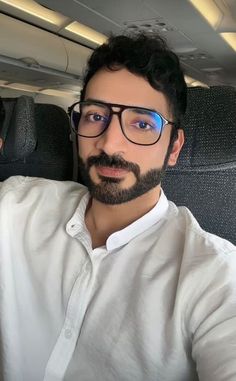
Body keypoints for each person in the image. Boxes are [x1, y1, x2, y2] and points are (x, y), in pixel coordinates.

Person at [0, 32, 236, 381]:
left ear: (174, 148)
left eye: (142, 124)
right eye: (96, 116)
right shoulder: (17, 205)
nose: (110, 142)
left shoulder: (215, 277)